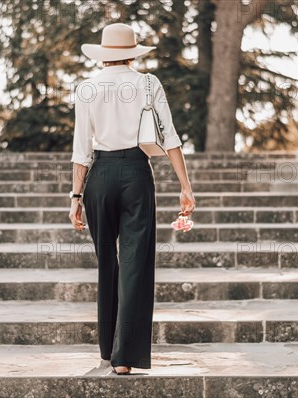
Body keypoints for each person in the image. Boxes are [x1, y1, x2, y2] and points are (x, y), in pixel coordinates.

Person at [68, 22, 195, 375]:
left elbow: (81, 149)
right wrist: (186, 186)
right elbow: (170, 137)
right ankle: (124, 357)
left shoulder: (87, 88)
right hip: (137, 174)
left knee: (106, 262)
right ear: (131, 53)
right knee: (136, 264)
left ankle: (107, 350)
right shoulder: (149, 84)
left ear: (105, 54)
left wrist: (75, 196)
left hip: (99, 176)